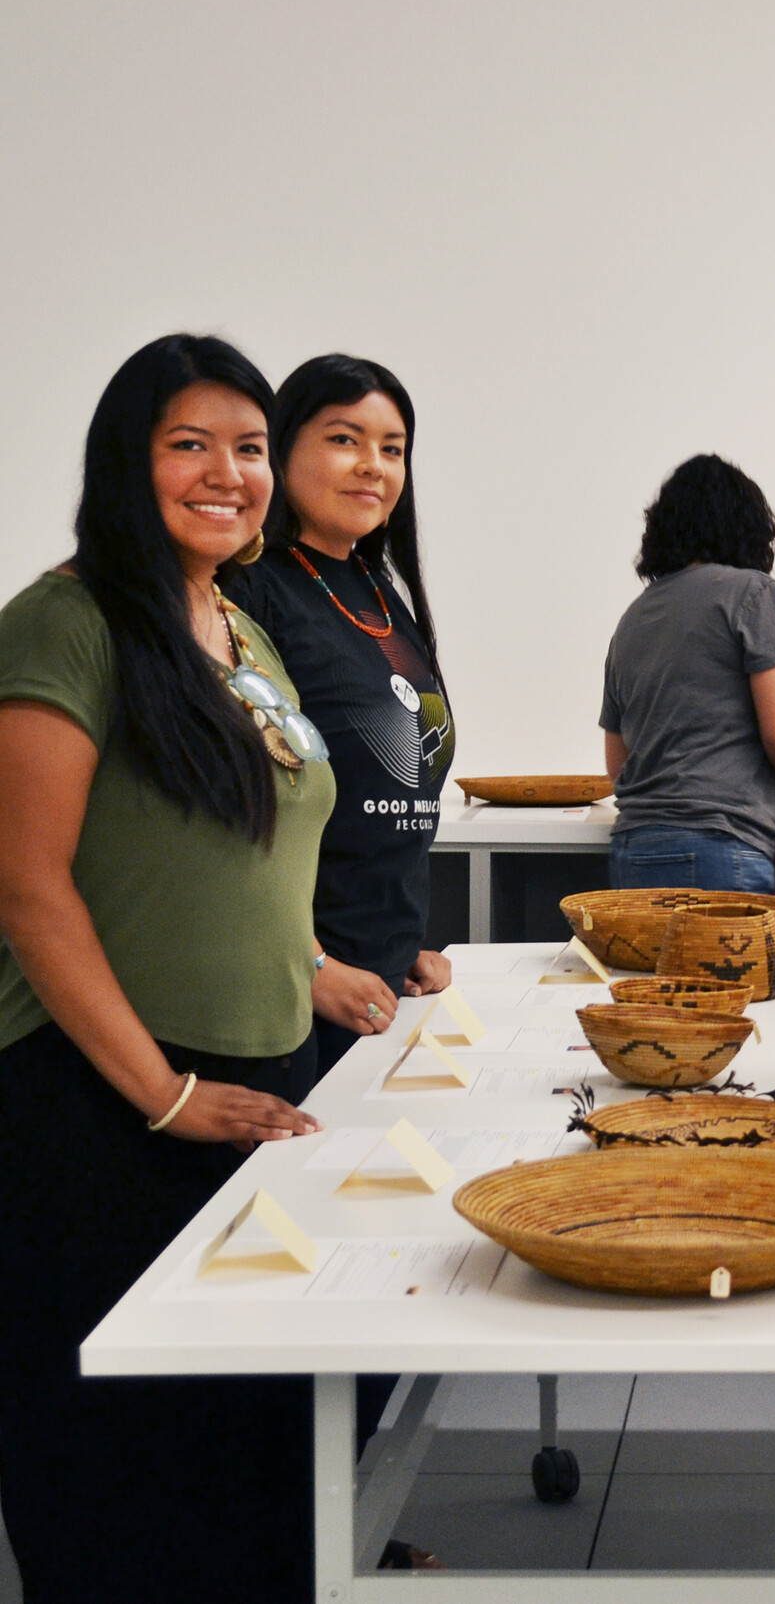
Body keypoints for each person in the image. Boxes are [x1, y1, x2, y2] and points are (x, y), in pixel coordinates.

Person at [0, 334, 332, 1603]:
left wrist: (316, 962)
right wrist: (164, 1093)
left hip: (251, 1074)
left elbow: (256, 841)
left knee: (239, 1444)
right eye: (188, 443)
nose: (228, 472)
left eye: (248, 447)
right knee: (114, 1465)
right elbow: (28, 881)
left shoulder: (240, 627)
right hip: (98, 1098)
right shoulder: (67, 620)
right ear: (124, 464)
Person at [228, 353, 455, 1081]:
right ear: (282, 445)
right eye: (344, 439)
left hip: (378, 985)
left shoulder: (378, 593)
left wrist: (398, 945)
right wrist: (313, 961)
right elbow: (224, 816)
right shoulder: (250, 592)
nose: (373, 467)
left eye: (392, 450)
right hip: (291, 995)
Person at [602, 453, 775, 892]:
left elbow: (617, 762)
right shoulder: (754, 595)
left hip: (633, 851)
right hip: (723, 847)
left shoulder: (633, 618)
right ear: (750, 527)